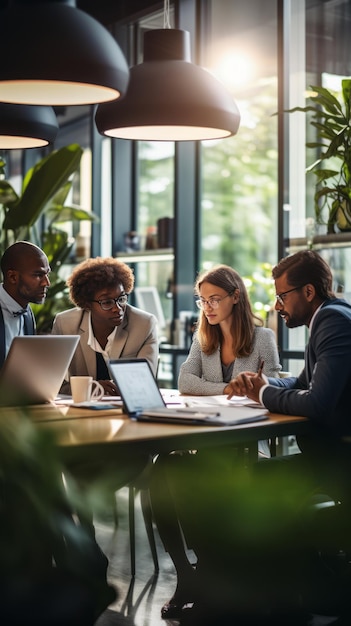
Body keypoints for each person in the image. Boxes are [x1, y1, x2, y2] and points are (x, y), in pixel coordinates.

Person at [164, 251, 351, 624]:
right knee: (231, 479)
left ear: (309, 291)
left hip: (337, 462)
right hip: (327, 455)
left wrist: (262, 393)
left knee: (243, 486)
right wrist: (259, 384)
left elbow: (317, 402)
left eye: (284, 296)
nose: (279, 305)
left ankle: (252, 594)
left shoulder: (331, 320)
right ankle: (246, 590)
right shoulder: (333, 316)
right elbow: (300, 384)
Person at [150, 264, 281, 620]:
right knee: (161, 470)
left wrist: (254, 388)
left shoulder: (262, 337)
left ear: (235, 297)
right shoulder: (203, 338)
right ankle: (186, 573)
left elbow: (268, 390)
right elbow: (185, 382)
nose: (207, 307)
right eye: (202, 300)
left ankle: (207, 573)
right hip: (209, 438)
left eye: (214, 299)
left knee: (187, 473)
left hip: (247, 445)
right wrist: (226, 388)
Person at [51, 256, 159, 396]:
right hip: (80, 409)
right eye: (107, 302)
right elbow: (51, 382)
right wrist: (90, 388)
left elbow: (145, 382)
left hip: (123, 408)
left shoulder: (144, 324)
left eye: (121, 299)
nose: (118, 308)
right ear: (87, 304)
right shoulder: (65, 324)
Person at [0, 241, 50, 367]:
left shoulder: (27, 314)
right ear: (13, 277)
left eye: (47, 274)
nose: (46, 283)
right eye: (38, 275)